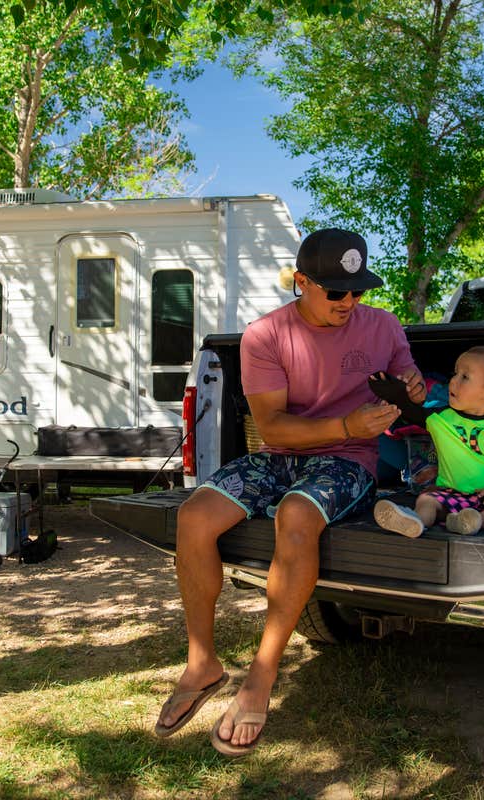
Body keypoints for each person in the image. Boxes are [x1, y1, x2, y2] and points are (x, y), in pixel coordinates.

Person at [153, 228, 425, 756]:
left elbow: (406, 371)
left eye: (358, 290)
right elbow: (274, 430)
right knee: (194, 518)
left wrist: (411, 384)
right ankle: (202, 663)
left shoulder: (383, 325)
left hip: (349, 462)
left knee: (296, 518)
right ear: (302, 282)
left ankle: (261, 675)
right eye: (336, 291)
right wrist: (347, 423)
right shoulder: (266, 335)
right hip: (283, 453)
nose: (350, 302)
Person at [370, 346, 484, 538]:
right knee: (426, 500)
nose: (453, 380)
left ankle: (476, 521)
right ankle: (415, 522)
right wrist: (395, 393)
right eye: (455, 373)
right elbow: (412, 412)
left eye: (465, 377)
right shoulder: (442, 417)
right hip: (450, 495)